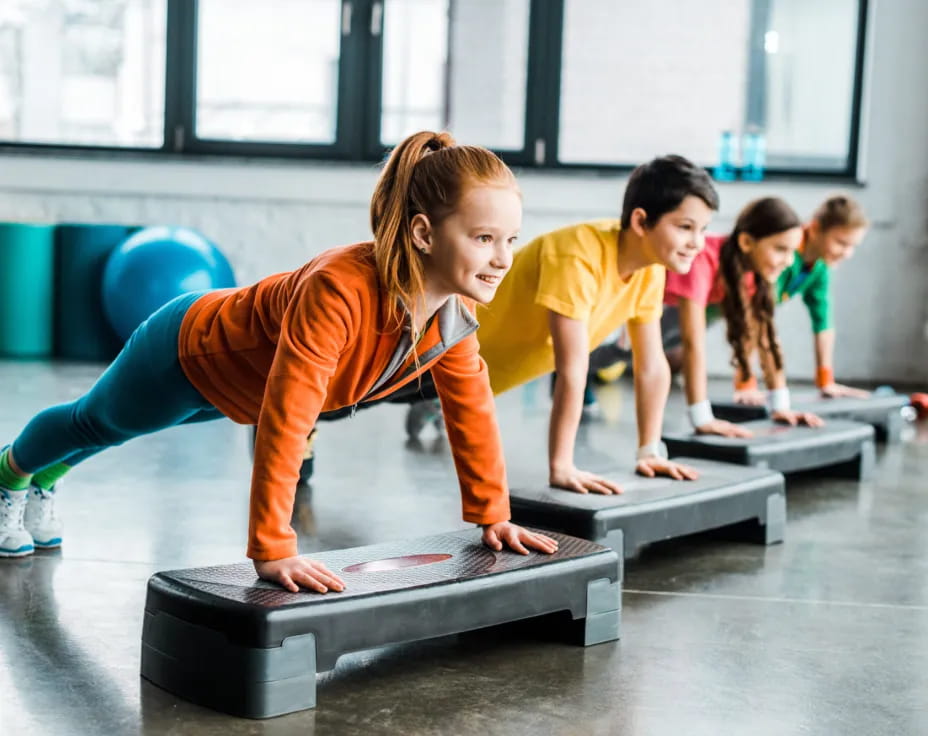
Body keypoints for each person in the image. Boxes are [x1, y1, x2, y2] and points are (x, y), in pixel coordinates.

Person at [0, 130, 558, 589]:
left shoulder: (452, 313)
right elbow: (290, 418)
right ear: (422, 233)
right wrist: (272, 548)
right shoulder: (339, 289)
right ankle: (9, 474)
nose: (503, 258)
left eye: (511, 239)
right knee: (96, 422)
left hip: (239, 390)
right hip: (188, 353)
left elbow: (470, 409)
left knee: (115, 430)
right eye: (484, 238)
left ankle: (46, 475)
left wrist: (494, 515)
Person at [399, 155, 720, 493]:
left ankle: (434, 404)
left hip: (476, 376)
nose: (697, 242)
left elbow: (651, 365)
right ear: (641, 221)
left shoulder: (650, 270)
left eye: (703, 229)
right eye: (685, 227)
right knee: (360, 398)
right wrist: (562, 467)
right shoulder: (576, 255)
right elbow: (572, 370)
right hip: (430, 354)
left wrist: (650, 451)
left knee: (430, 396)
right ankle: (430, 402)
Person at [664, 196, 824, 437]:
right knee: (613, 353)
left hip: (669, 313)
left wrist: (780, 406)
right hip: (645, 310)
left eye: (793, 251)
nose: (789, 261)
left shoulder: (754, 274)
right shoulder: (703, 258)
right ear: (747, 242)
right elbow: (693, 343)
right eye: (780, 249)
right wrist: (702, 419)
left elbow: (766, 338)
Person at [731, 194, 870, 404]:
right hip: (705, 305)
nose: (847, 253)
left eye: (853, 246)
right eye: (841, 243)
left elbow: (823, 323)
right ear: (815, 228)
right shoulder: (784, 252)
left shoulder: (820, 267)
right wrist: (745, 383)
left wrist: (825, 380)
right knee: (679, 351)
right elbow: (754, 316)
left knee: (679, 356)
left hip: (725, 313)